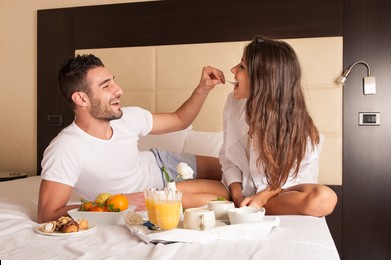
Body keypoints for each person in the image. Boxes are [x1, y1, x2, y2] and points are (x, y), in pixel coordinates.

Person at [37, 54, 228, 223]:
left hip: (163, 163)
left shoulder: (128, 117)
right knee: (227, 195)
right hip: (154, 196)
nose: (118, 90)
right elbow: (47, 214)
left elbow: (180, 119)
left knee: (235, 172)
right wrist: (120, 202)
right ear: (81, 99)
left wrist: (203, 88)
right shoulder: (66, 148)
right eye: (106, 86)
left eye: (113, 81)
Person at [178, 36, 337, 217]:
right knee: (171, 194)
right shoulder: (233, 103)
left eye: (242, 67)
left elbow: (292, 177)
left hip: (278, 194)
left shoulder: (300, 126)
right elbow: (229, 159)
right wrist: (237, 195)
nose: (233, 70)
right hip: (239, 190)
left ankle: (249, 211)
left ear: (263, 79)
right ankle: (240, 209)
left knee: (324, 199)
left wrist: (261, 198)